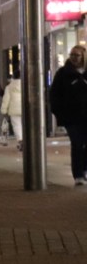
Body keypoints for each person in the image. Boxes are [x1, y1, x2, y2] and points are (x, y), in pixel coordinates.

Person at [49, 45, 87, 185]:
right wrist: (59, 113)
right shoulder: (63, 73)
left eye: (77, 55)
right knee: (77, 144)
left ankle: (84, 169)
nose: (74, 58)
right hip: (72, 117)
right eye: (72, 55)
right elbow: (54, 94)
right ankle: (78, 175)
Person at [0, 74, 23, 151]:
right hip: (25, 109)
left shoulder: (9, 87)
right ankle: (27, 141)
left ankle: (20, 140)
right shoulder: (26, 85)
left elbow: (6, 100)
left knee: (17, 126)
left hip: (14, 110)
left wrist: (4, 110)